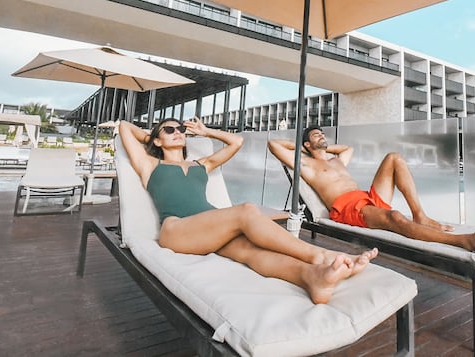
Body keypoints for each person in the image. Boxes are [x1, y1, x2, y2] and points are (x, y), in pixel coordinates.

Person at [119, 117, 378, 304]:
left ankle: (313, 277)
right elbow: (124, 127)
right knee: (246, 211)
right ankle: (322, 256)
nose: (178, 131)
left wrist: (206, 131)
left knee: (251, 253)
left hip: (211, 229)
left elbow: (237, 141)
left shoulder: (202, 164)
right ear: (156, 138)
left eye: (181, 129)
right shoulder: (150, 164)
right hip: (176, 229)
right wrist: (149, 136)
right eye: (169, 129)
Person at [268, 127, 475, 254]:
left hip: (367, 198)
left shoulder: (337, 160)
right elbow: (274, 144)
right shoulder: (306, 165)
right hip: (348, 207)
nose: (322, 136)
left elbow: (349, 148)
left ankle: (420, 215)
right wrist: (307, 151)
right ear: (305, 145)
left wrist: (323, 147)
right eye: (316, 136)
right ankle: (465, 241)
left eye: (322, 134)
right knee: (394, 217)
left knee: (394, 158)